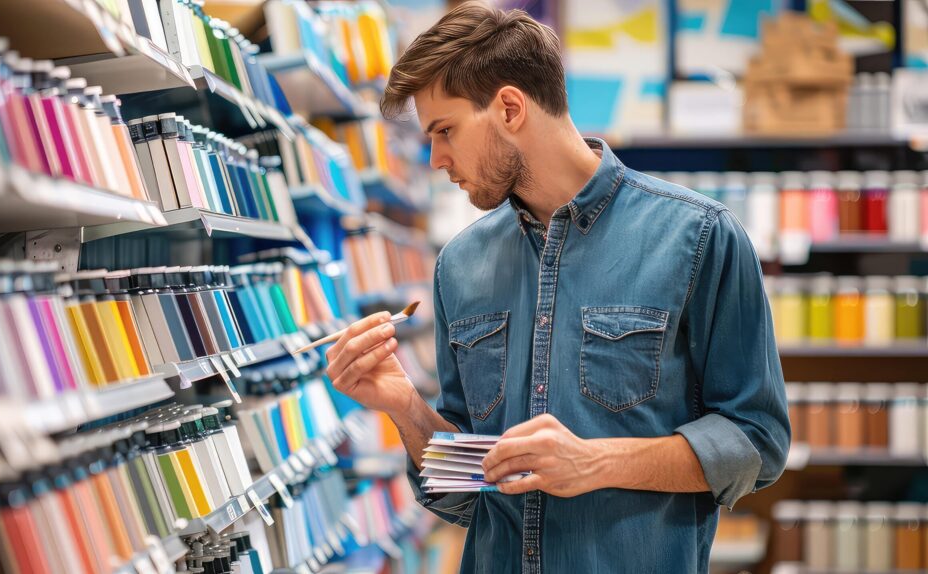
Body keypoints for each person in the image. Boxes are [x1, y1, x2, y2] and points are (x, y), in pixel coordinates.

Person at [324, 3, 790, 572]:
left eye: (444, 130)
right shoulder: (460, 265)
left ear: (510, 108)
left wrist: (596, 463)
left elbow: (757, 440)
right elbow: (463, 490)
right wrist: (402, 404)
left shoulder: (698, 238)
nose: (435, 159)